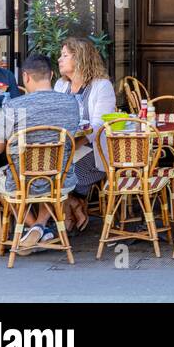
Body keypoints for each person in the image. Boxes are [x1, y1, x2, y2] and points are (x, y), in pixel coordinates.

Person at [0, 54, 80, 252]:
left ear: (26, 77)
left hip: (23, 181)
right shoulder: (71, 103)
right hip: (59, 179)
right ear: (52, 75)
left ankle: (33, 226)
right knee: (51, 176)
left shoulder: (14, 106)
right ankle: (40, 227)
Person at [53, 36, 117, 232]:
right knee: (49, 166)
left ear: (79, 58)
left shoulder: (102, 86)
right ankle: (74, 206)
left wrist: (73, 146)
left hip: (93, 147)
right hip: (66, 145)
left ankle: (70, 210)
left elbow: (99, 125)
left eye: (65, 55)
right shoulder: (60, 85)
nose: (59, 59)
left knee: (65, 168)